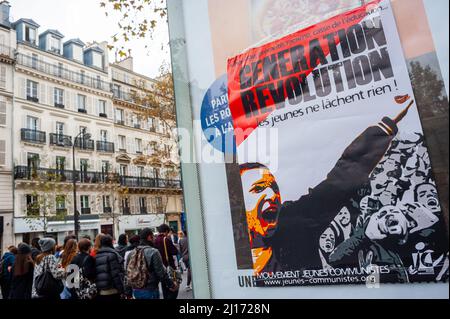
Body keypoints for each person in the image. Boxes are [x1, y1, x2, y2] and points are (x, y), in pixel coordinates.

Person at [240, 111, 408, 274]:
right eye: (259, 188)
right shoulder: (231, 253)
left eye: (274, 189)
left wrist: (381, 131)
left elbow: (339, 183)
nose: (272, 196)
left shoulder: (293, 222)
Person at [125, 228, 177, 299]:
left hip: (136, 291)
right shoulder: (154, 252)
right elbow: (161, 272)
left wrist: (128, 293)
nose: (154, 239)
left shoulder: (131, 253)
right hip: (150, 289)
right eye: (153, 237)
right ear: (149, 237)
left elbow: (127, 273)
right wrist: (171, 285)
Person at [154, 224, 180, 299]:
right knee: (174, 289)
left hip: (161, 268)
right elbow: (174, 251)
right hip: (169, 267)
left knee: (165, 289)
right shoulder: (166, 239)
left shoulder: (155, 240)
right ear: (166, 231)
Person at [95, 235, 125, 300]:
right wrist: (122, 290)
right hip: (112, 290)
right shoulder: (112, 255)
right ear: (110, 242)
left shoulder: (97, 255)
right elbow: (116, 274)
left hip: (101, 290)